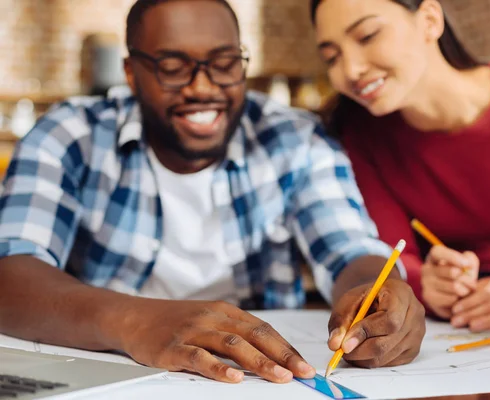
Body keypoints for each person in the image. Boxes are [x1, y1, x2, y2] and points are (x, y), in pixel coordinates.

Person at [0, 0, 425, 384]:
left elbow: (348, 250)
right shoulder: (70, 134)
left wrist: (373, 297)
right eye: (172, 66)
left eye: (224, 63)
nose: (203, 87)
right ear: (131, 74)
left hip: (255, 384)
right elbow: (11, 275)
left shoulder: (293, 138)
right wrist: (134, 321)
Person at [310, 0, 490, 331]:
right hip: (420, 313)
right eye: (332, 57)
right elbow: (393, 255)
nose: (351, 70)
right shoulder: (357, 130)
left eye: (367, 36)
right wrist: (424, 282)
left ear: (429, 20)